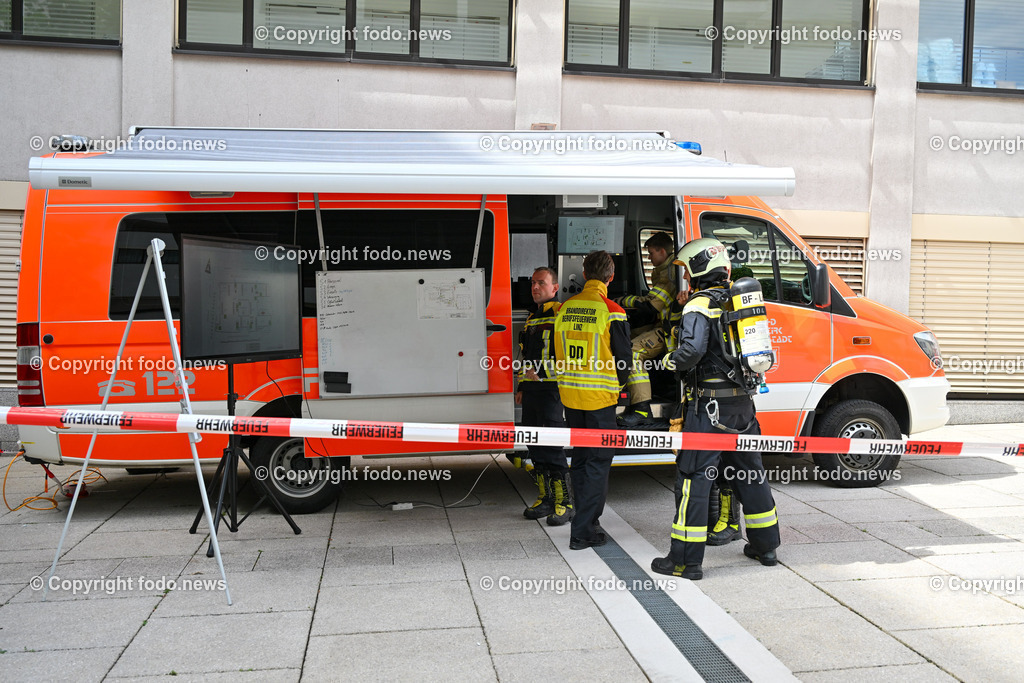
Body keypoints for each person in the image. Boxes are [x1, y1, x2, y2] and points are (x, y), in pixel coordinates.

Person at [651, 238, 780, 579]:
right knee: (750, 473)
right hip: (743, 405)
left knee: (695, 478)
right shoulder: (737, 302)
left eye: (687, 270)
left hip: (708, 409)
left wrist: (667, 361)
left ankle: (684, 561)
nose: (686, 278)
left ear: (697, 268)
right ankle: (765, 547)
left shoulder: (698, 304)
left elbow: (691, 351)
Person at [553, 250, 632, 550]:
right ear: (610, 277)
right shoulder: (612, 310)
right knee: (599, 464)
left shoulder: (565, 308)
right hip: (600, 400)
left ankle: (586, 522)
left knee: (582, 461)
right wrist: (617, 388)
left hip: (570, 397)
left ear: (585, 274)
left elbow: (554, 352)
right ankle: (583, 530)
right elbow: (624, 359)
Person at [515, 266, 573, 526]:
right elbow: (525, 357)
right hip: (532, 392)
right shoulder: (532, 317)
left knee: (552, 447)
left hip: (552, 391)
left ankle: (565, 503)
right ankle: (545, 499)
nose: (535, 287)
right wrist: (521, 386)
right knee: (534, 446)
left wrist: (540, 374)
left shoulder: (561, 313)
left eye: (541, 283)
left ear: (555, 288)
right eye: (532, 283)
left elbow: (568, 355)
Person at [616, 231, 677, 427]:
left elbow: (652, 305)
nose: (649, 259)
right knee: (622, 338)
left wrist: (623, 301)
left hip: (671, 332)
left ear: (661, 251)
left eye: (651, 254)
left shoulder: (670, 273)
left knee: (632, 352)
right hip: (663, 324)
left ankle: (642, 409)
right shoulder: (664, 271)